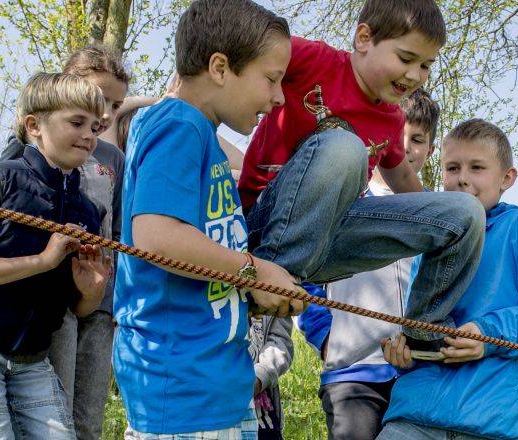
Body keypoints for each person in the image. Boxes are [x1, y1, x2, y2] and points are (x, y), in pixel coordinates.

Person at [240, 0, 486, 359]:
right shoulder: (313, 59)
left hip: (331, 237)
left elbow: (404, 178)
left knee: (467, 213)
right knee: (345, 146)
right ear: (364, 38)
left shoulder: (391, 119)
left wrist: (458, 232)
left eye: (426, 65)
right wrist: (184, 93)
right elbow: (244, 41)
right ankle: (274, 276)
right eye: (406, 58)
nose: (415, 75)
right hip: (265, 227)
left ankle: (421, 334)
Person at [113, 0, 306, 436]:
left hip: (218, 384)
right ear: (220, 67)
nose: (278, 97)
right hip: (181, 388)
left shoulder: (203, 137)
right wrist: (256, 272)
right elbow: (156, 236)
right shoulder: (178, 123)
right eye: (271, 79)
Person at [0, 72, 110, 439]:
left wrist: (91, 291)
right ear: (34, 125)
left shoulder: (88, 211)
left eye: (96, 126)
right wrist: (44, 260)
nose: (90, 136)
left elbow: (78, 309)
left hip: (32, 356)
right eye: (76, 122)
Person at [378, 119, 518, 440]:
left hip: (497, 421)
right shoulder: (433, 239)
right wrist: (405, 355)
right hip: (415, 415)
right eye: (452, 168)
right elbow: (420, 325)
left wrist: (488, 334)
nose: (463, 179)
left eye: (477, 167)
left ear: (506, 178)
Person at [0, 42, 129, 440]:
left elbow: (121, 231)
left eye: (115, 105)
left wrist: (117, 291)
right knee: (51, 410)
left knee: (87, 419)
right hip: (54, 300)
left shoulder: (113, 158)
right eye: (98, 98)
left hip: (100, 300)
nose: (104, 113)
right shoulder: (30, 145)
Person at [299, 88, 441, 440]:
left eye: (418, 139)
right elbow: (304, 275)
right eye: (399, 134)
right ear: (378, 138)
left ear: (431, 150)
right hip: (353, 374)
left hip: (415, 373)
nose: (406, 146)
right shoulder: (344, 199)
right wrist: (325, 337)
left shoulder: (437, 215)